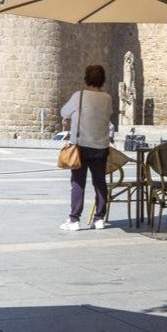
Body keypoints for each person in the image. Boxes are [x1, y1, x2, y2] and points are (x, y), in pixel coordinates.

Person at [59, 64, 114, 231]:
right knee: (100, 182)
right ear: (103, 80)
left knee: (78, 183)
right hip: (101, 146)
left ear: (86, 79)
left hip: (81, 146)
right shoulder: (107, 98)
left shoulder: (79, 96)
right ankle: (99, 219)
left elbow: (64, 112)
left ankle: (74, 219)